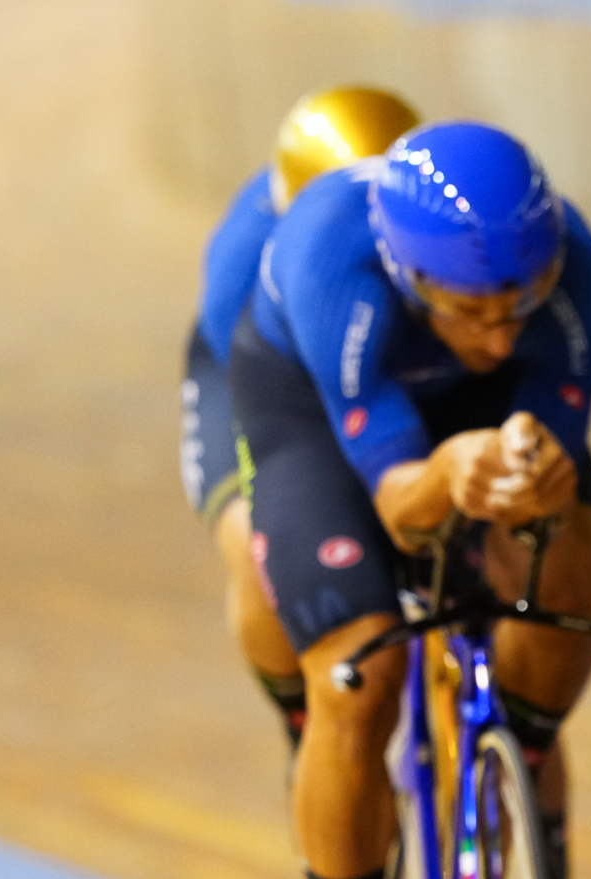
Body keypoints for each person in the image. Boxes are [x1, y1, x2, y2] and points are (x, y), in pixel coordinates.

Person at [230, 120, 591, 879]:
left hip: (481, 422)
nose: (500, 334)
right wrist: (452, 475)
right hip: (326, 427)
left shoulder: (576, 273)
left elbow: (548, 442)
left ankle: (519, 768)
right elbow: (405, 502)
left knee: (568, 546)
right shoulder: (333, 263)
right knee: (362, 673)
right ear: (409, 276)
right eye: (470, 312)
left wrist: (528, 468)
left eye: (518, 307)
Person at [179, 86, 419, 749]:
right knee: (256, 541)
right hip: (257, 377)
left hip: (372, 358)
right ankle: (297, 714)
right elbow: (272, 410)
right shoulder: (245, 252)